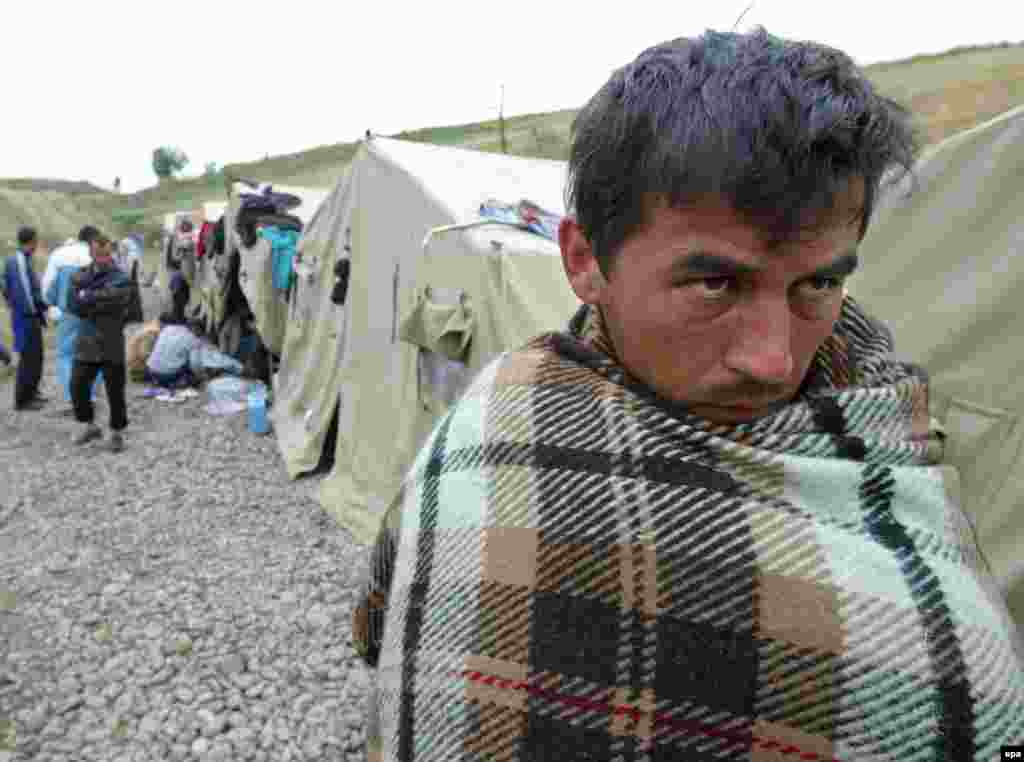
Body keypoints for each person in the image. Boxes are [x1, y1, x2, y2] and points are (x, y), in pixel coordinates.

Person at [351, 29, 1024, 761]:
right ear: (584, 261)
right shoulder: (491, 458)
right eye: (715, 284)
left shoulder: (883, 418)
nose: (772, 360)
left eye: (820, 283)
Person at [66, 232, 139, 452]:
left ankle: (116, 433)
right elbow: (73, 305)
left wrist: (88, 296)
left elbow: (118, 300)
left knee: (115, 391)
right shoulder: (79, 275)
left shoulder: (122, 277)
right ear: (92, 253)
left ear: (112, 253)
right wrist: (96, 298)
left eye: (107, 254)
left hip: (111, 341)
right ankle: (88, 425)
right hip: (86, 341)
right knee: (77, 385)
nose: (104, 259)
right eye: (99, 254)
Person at [43, 225, 100, 407]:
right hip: (94, 313)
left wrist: (52, 307)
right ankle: (90, 395)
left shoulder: (59, 255)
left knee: (66, 355)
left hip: (68, 313)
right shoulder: (99, 255)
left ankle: (72, 396)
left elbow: (48, 287)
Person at [2, 226, 48, 410]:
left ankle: (32, 392)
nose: (37, 244)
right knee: (28, 358)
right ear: (32, 241)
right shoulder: (18, 260)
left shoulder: (25, 259)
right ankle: (22, 400)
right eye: (36, 240)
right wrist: (36, 311)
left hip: (30, 316)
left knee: (36, 356)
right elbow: (24, 292)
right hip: (25, 317)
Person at [144, 313, 201, 389]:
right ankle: (177, 382)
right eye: (200, 333)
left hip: (151, 372)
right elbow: (195, 365)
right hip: (168, 375)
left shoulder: (167, 329)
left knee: (177, 354)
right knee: (190, 364)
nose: (199, 335)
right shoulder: (193, 339)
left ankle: (160, 381)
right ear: (196, 328)